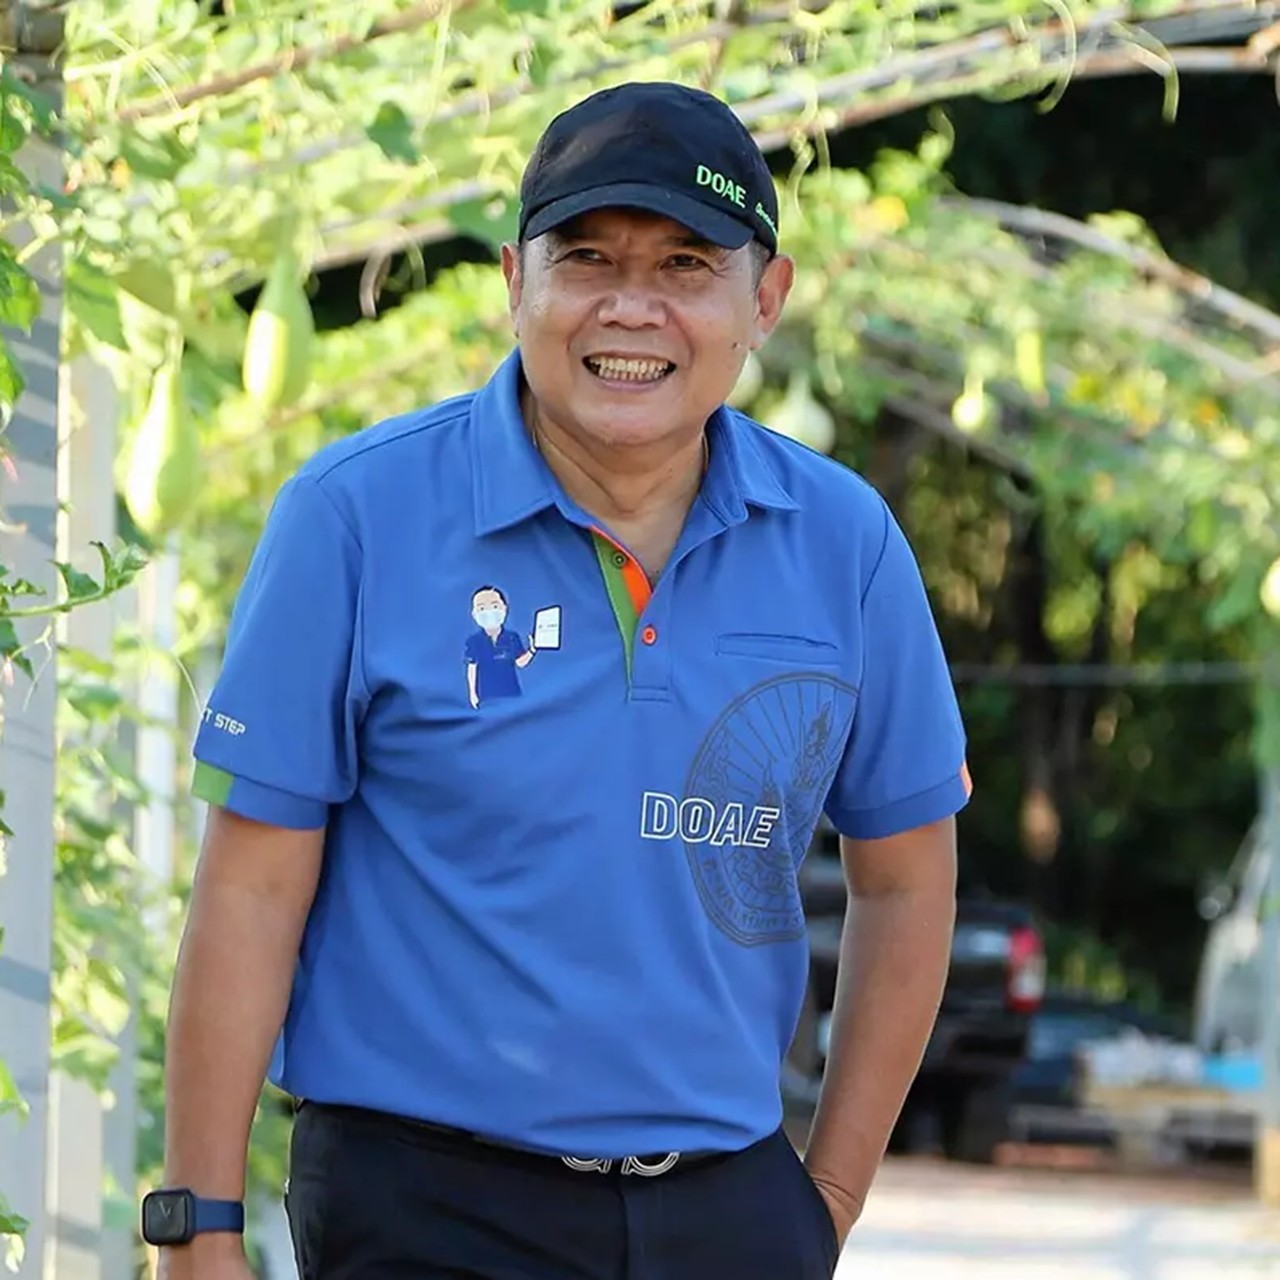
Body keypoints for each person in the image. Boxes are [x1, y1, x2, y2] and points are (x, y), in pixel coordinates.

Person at [145, 80, 967, 1280]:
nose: (630, 306)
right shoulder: (353, 517)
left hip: (724, 1210)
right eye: (585, 257)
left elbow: (907, 880)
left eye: (686, 264)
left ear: (764, 299)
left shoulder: (845, 544)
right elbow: (250, 888)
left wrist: (823, 1200)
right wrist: (197, 1225)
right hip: (423, 1212)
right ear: (513, 283)